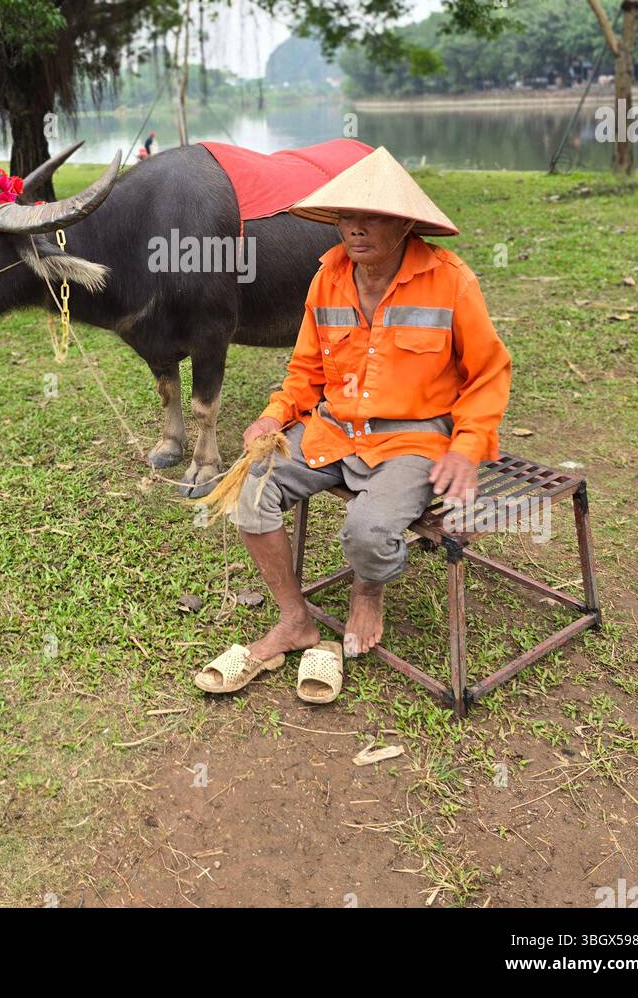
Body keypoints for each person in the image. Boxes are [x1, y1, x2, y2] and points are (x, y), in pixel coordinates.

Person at [194, 146, 511, 698]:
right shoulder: (327, 279)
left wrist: (468, 445)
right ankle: (296, 621)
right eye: (346, 217)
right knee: (250, 491)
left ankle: (368, 593)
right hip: (336, 430)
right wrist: (273, 416)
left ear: (406, 223)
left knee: (367, 534)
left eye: (373, 217)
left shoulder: (451, 280)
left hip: (414, 440)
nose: (355, 229)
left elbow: (489, 373)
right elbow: (305, 370)